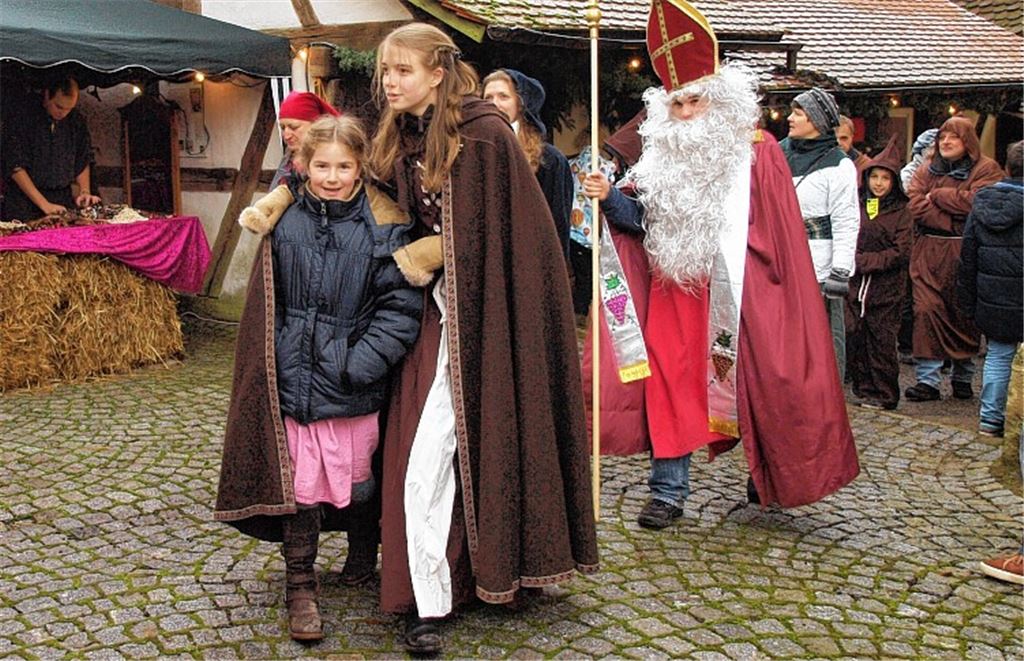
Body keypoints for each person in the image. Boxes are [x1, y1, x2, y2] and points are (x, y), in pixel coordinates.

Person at [581, 0, 858, 528]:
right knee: (669, 387)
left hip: (745, 294)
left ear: (720, 101)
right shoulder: (659, 155)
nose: (685, 115)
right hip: (674, 293)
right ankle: (668, 491)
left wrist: (763, 291)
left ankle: (768, 475)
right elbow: (642, 219)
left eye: (696, 103)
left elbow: (776, 240)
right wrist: (607, 197)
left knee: (761, 382)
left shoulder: (760, 153)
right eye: (677, 105)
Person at [368, 23, 598, 654]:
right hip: (431, 316)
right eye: (385, 71)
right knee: (417, 450)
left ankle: (433, 600)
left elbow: (508, 241)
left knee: (434, 454)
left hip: (487, 320)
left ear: (438, 73)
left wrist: (436, 249)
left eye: (403, 71)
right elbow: (384, 206)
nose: (390, 82)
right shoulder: (402, 133)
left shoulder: (485, 135)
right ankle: (430, 583)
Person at [214, 115, 423, 641]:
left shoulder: (384, 226)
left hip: (353, 384)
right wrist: (279, 359)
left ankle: (360, 553)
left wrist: (360, 362)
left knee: (361, 481)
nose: (332, 176)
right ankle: (300, 585)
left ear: (360, 167)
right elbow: (270, 300)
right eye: (322, 165)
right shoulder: (282, 223)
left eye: (344, 166)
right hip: (293, 383)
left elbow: (399, 308)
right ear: (303, 164)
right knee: (302, 487)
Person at [903, 116, 1003, 401]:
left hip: (966, 253)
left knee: (963, 314)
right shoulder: (926, 169)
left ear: (967, 141)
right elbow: (916, 204)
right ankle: (928, 381)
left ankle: (963, 376)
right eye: (942, 137)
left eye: (953, 137)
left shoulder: (986, 169)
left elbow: (979, 203)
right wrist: (952, 212)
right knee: (926, 310)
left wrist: (939, 195)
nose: (946, 142)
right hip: (928, 252)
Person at [781, 88, 860, 384]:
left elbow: (846, 220)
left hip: (818, 266)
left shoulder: (838, 166)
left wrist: (840, 270)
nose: (790, 118)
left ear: (816, 119)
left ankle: (825, 403)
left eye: (798, 113)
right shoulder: (778, 153)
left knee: (820, 340)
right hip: (779, 262)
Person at [958, 140, 1023, 436]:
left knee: (997, 355)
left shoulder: (983, 203)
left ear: (1007, 168)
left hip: (993, 299)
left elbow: (968, 256)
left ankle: (990, 419)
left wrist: (968, 301)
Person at [845, 136, 913, 410]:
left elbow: (901, 251)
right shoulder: (859, 205)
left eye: (885, 178)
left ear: (893, 182)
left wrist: (865, 262)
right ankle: (863, 388)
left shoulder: (902, 212)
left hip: (886, 289)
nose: (879, 183)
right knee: (857, 335)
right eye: (875, 176)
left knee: (881, 340)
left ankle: (885, 394)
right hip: (857, 286)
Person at [482, 68, 573, 265]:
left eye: (503, 96)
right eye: (487, 97)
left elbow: (557, 227)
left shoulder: (549, 160)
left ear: (521, 105)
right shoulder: (474, 151)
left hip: (530, 264)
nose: (494, 104)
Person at [2, 77, 100, 221]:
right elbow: (15, 166)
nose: (63, 113)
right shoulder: (22, 117)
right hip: (24, 201)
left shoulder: (75, 120)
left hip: (61, 198)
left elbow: (82, 158)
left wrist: (84, 191)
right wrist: (44, 204)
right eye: (59, 107)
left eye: (69, 109)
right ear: (47, 96)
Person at [270, 91, 341, 189]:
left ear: (316, 125)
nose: (286, 136)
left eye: (294, 127)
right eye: (283, 128)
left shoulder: (335, 158)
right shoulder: (289, 158)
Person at [837, 114, 870, 182]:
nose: (838, 143)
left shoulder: (866, 166)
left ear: (852, 137)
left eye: (844, 138)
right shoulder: (815, 164)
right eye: (833, 139)